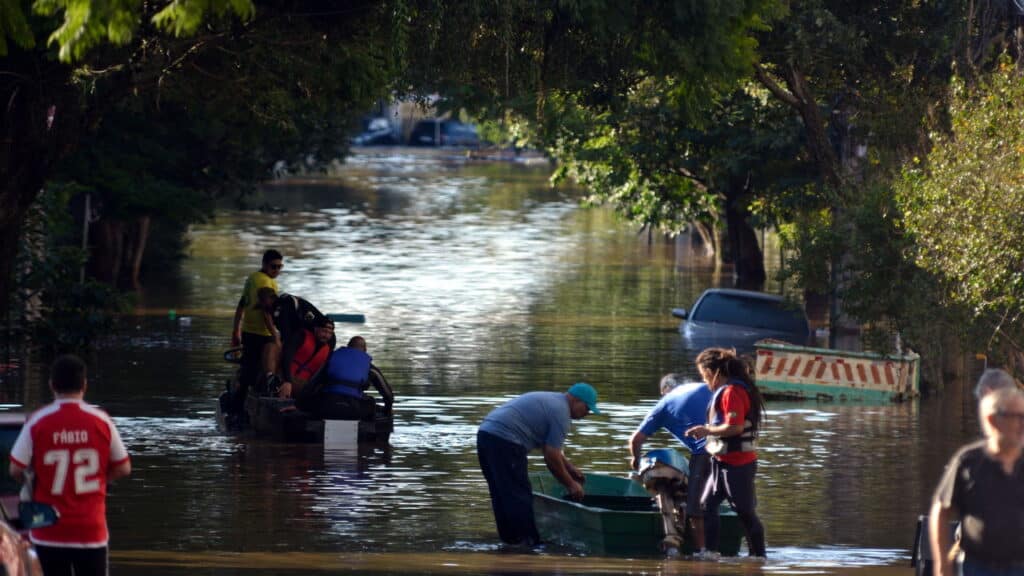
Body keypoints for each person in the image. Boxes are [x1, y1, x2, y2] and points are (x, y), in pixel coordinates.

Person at [9, 354, 131, 576]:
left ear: (52, 385)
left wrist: (36, 485)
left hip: (48, 529)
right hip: (91, 530)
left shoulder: (38, 421)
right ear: (84, 385)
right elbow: (123, 467)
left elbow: (15, 469)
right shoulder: (101, 420)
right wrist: (101, 481)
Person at [476, 383, 600, 546]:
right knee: (519, 495)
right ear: (576, 400)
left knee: (501, 494)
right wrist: (571, 484)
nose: (587, 414)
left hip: (486, 435)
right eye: (587, 408)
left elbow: (549, 447)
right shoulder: (561, 414)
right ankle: (528, 544)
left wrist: (569, 468)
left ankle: (509, 542)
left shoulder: (552, 401)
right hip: (506, 441)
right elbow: (550, 456)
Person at [930, 387, 1024, 576]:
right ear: (992, 420)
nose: (1022, 424)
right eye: (1017, 417)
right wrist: (942, 565)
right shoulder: (968, 462)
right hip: (978, 567)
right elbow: (941, 511)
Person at [685, 347, 767, 559]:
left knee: (744, 511)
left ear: (715, 373)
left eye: (705, 376)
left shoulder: (732, 392)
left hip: (738, 463)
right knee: (707, 504)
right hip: (721, 460)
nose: (705, 381)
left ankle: (758, 557)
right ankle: (711, 553)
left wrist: (706, 429)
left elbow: (735, 427)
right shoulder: (727, 391)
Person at [629, 373, 713, 555]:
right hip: (734, 447)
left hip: (704, 453)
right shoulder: (706, 386)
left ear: (666, 390)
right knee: (720, 501)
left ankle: (701, 550)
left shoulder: (665, 403)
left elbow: (635, 440)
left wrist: (636, 460)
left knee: (695, 505)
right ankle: (756, 553)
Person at [230, 250, 283, 409]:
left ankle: (237, 407)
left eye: (280, 267)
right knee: (268, 372)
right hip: (264, 334)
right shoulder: (265, 283)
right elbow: (266, 312)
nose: (277, 271)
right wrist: (276, 337)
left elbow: (241, 305)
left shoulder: (252, 278)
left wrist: (236, 331)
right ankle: (263, 405)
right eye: (273, 267)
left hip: (248, 332)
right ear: (264, 264)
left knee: (248, 370)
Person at [299, 336, 393, 419]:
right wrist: (387, 410)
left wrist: (301, 403)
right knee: (371, 403)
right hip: (354, 410)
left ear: (347, 346)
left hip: (327, 407)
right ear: (365, 350)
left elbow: (311, 385)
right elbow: (388, 395)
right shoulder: (370, 368)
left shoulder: (331, 360)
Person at [277, 317, 335, 399]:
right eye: (324, 331)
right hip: (286, 375)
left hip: (304, 384)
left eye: (330, 333)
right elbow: (286, 357)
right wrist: (287, 381)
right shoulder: (301, 336)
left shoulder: (328, 351)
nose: (326, 335)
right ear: (316, 329)